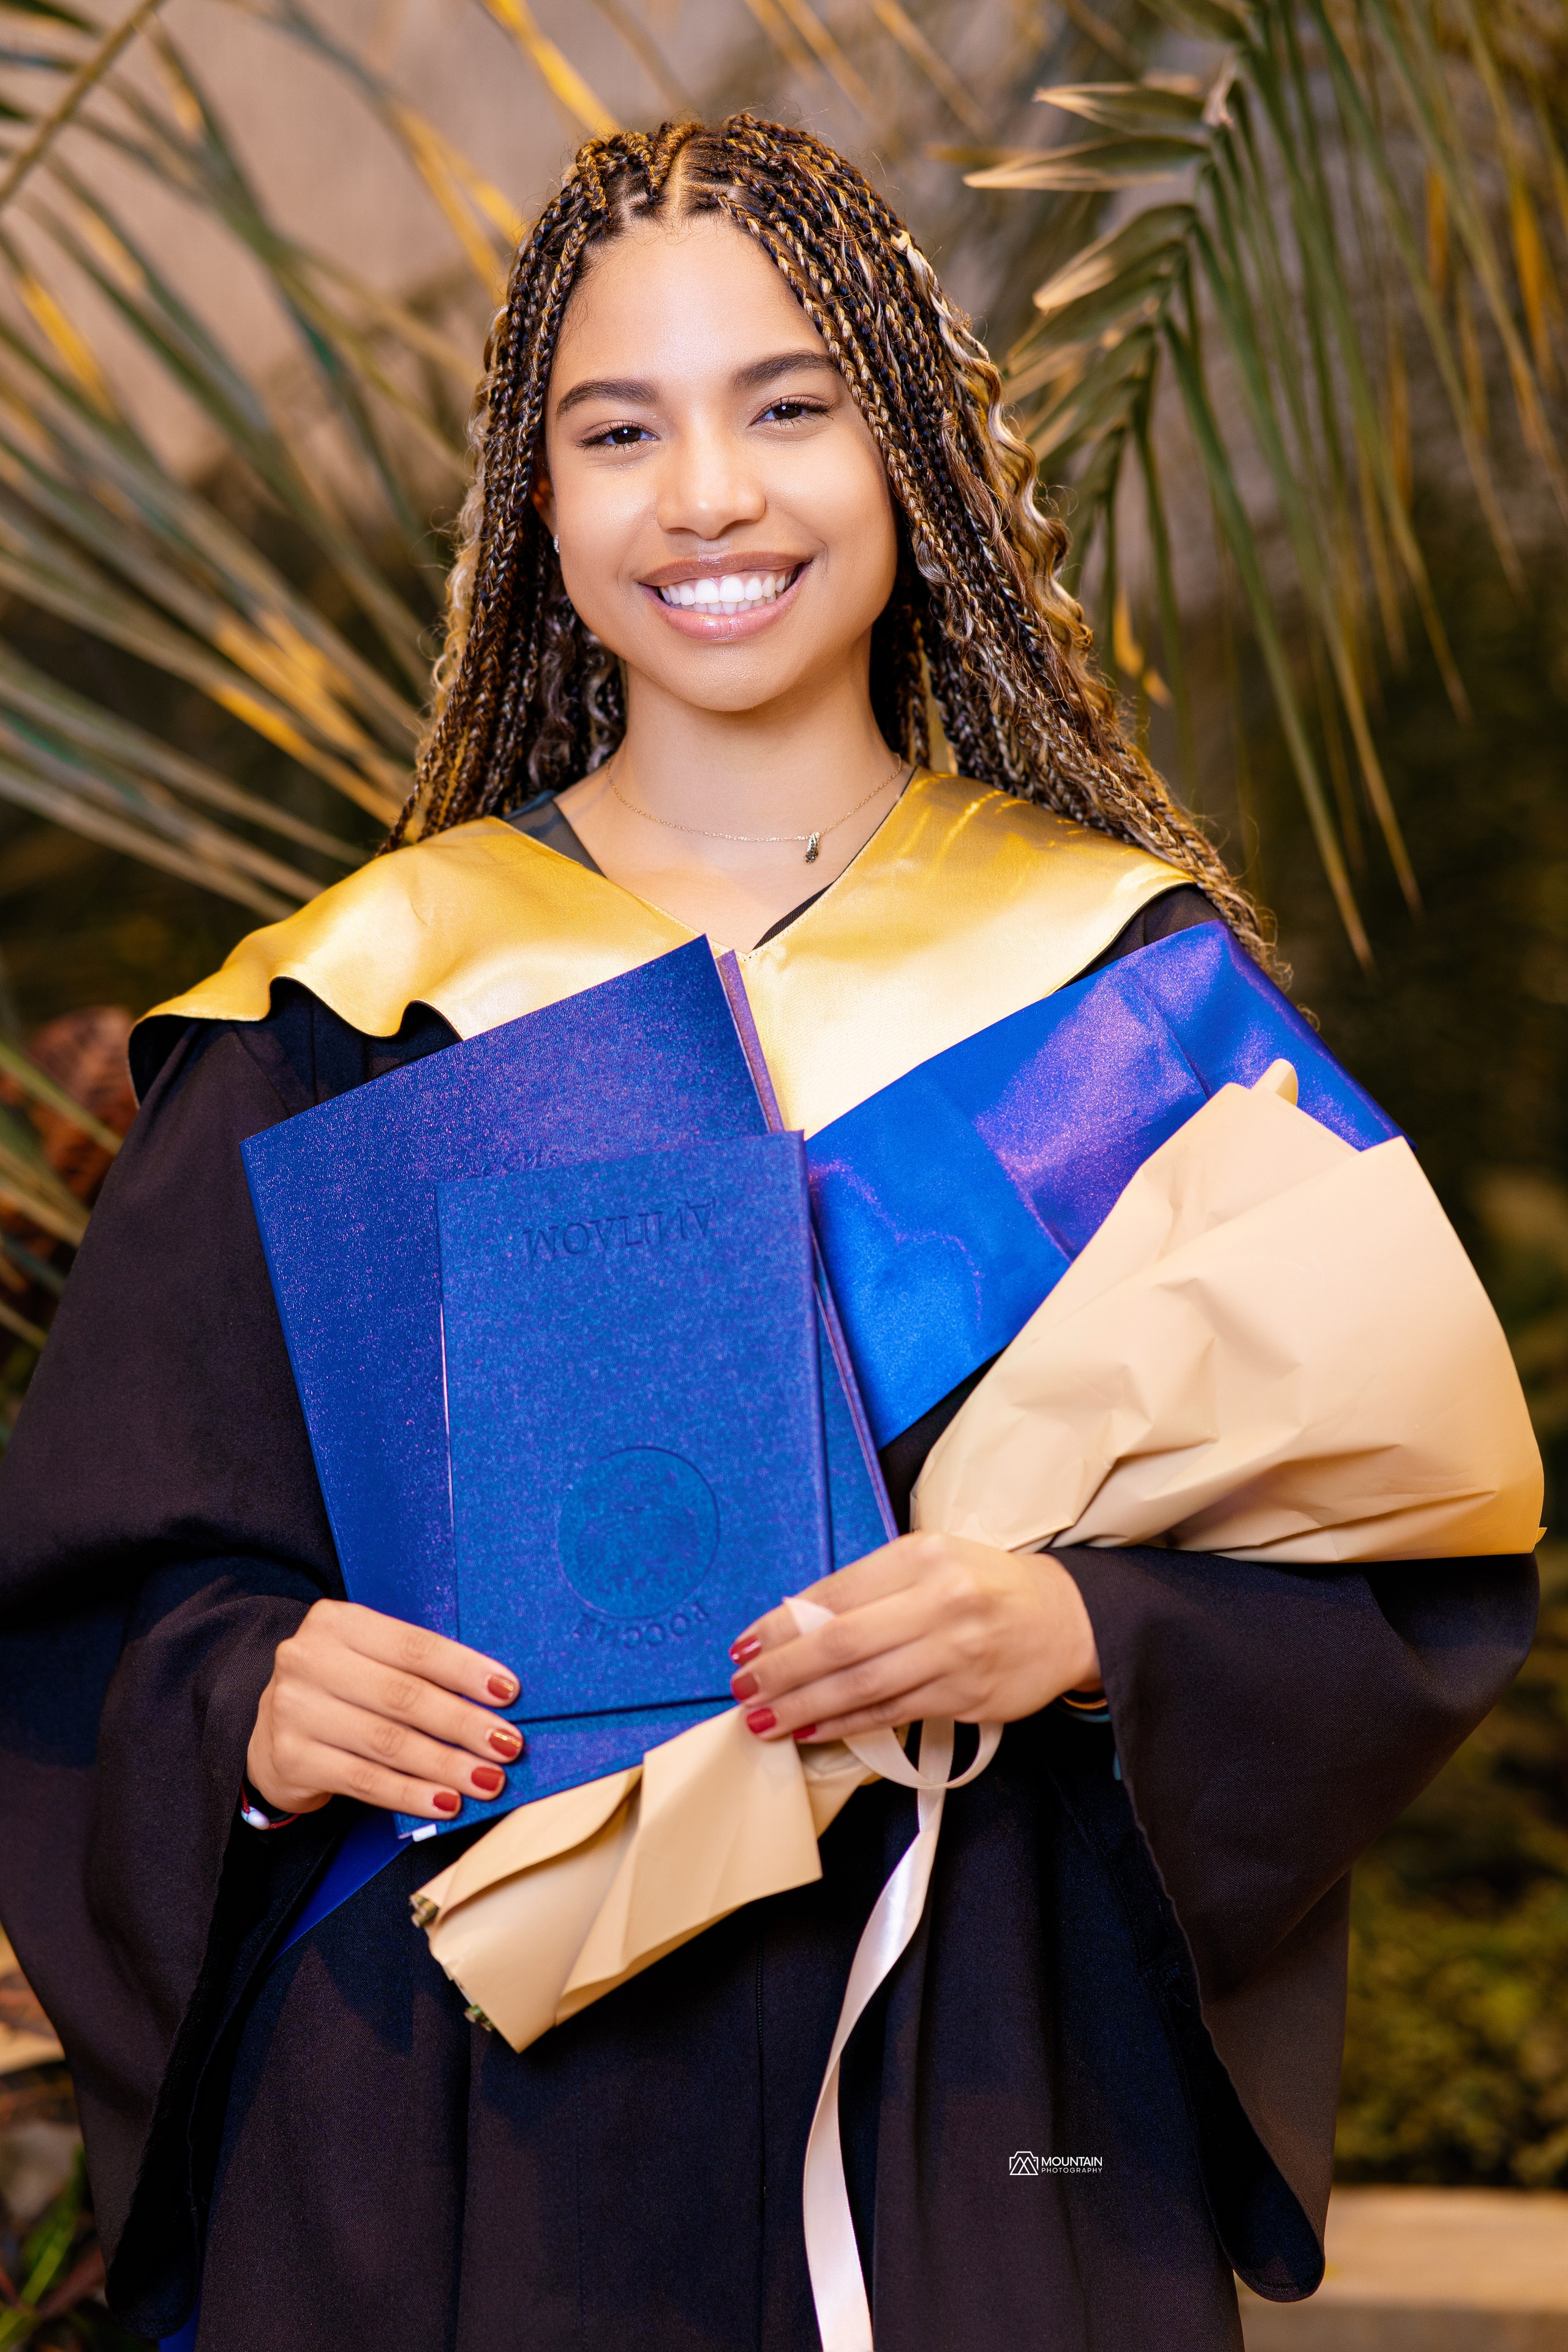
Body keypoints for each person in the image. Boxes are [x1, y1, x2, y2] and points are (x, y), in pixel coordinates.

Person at [0, 116, 1537, 2352]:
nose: (706, 495)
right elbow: (93, 1596)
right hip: (452, 2125)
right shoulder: (358, 1005)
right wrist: (249, 1694)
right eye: (619, 430)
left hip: (970, 2088)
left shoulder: (1121, 1000)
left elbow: (1404, 1568)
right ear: (542, 511)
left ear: (908, 460)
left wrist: (1076, 1624)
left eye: (789, 406)